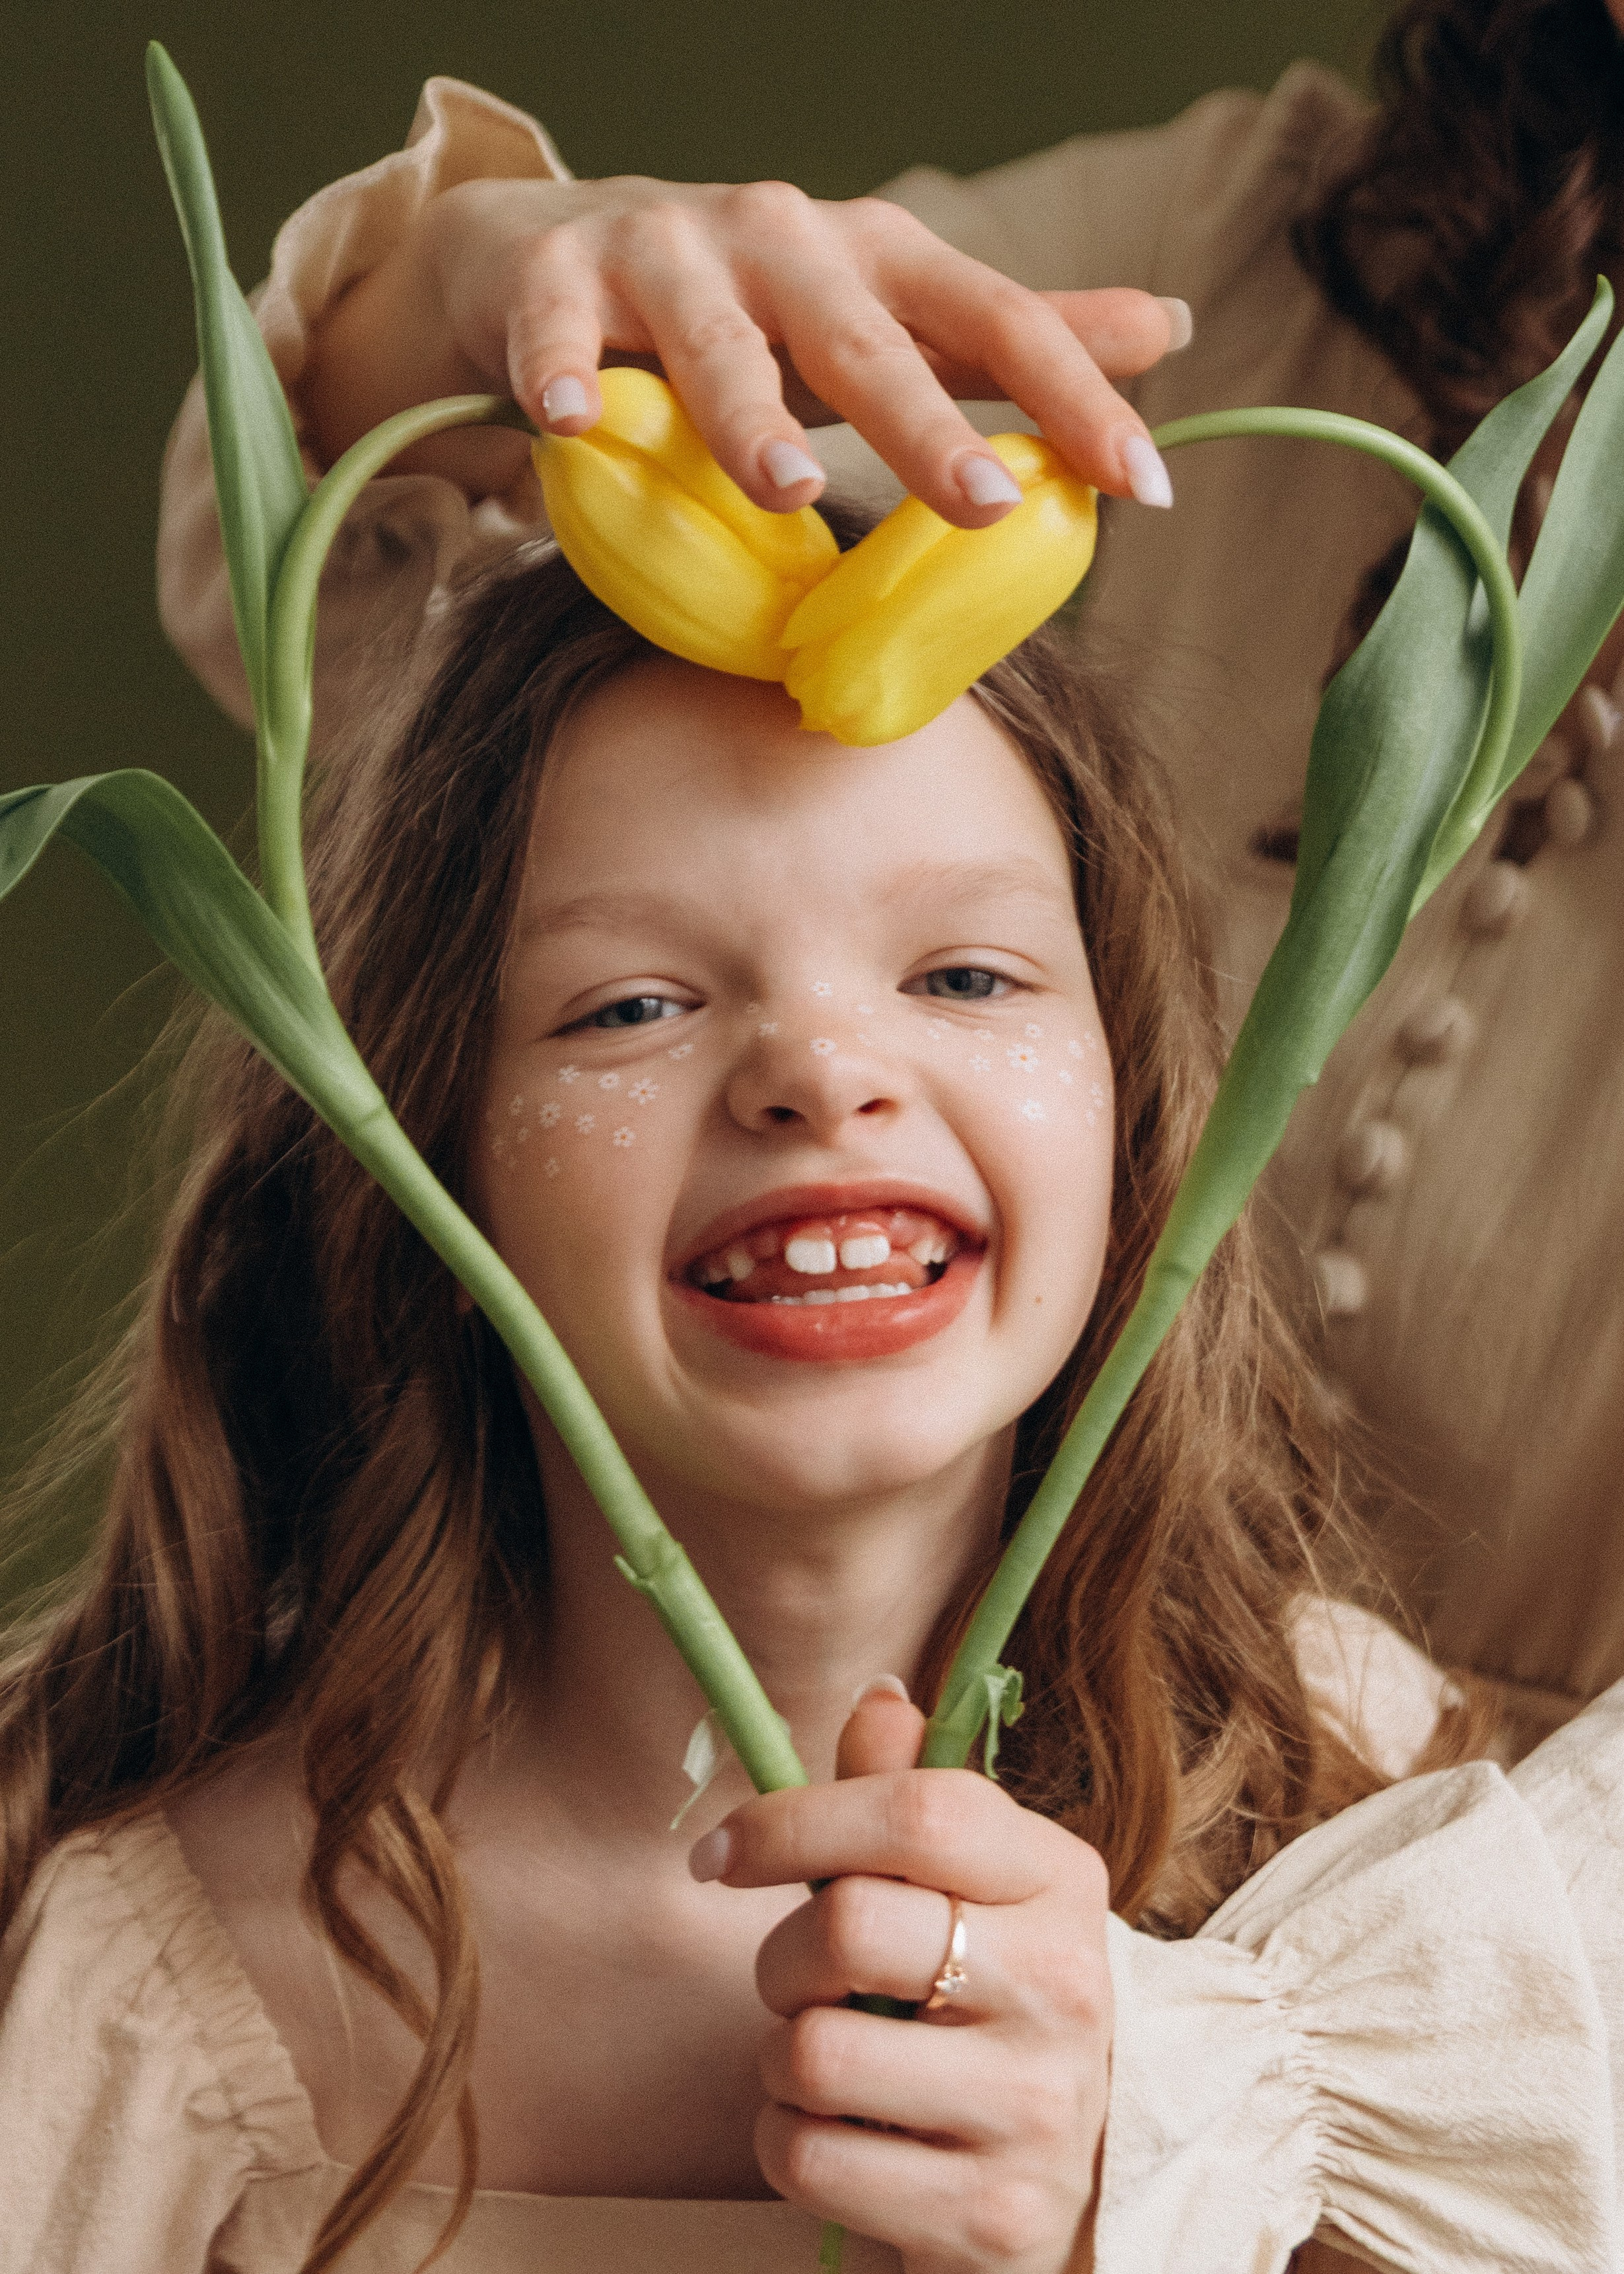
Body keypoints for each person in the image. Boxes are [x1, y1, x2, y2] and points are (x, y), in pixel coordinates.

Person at [5, 473, 1619, 2271]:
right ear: (418, 1160)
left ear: (1139, 1109)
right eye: (628, 1004)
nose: (821, 1072)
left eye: (963, 971)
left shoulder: (1365, 1824)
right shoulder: (144, 1958)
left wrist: (1168, 2155)